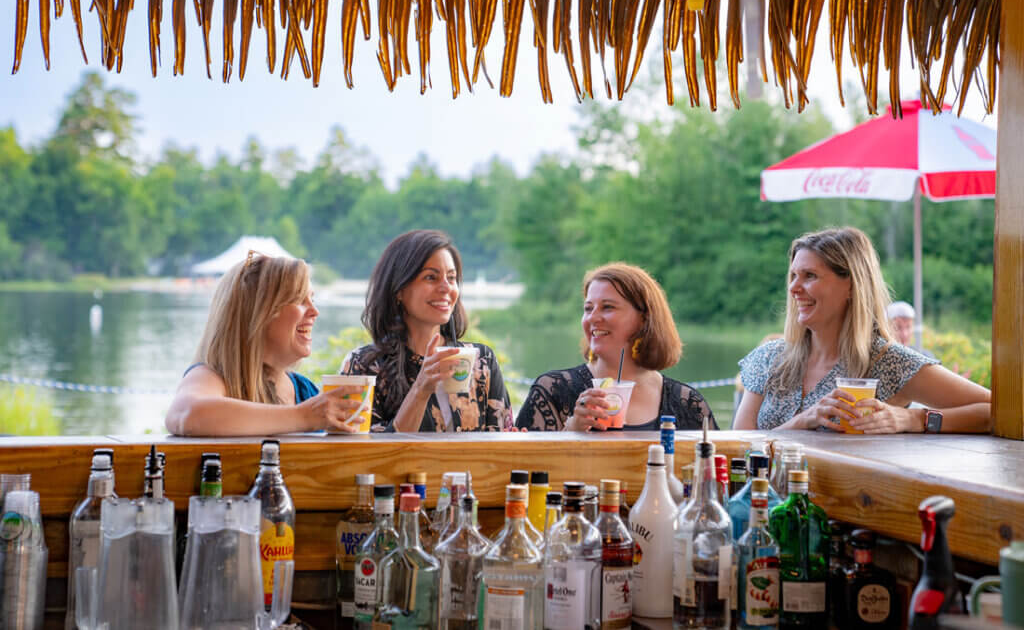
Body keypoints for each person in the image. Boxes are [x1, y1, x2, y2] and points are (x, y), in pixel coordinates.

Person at [733, 227, 991, 433]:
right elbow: (738, 449)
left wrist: (912, 419)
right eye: (793, 276)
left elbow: (1001, 411)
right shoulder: (769, 358)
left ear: (852, 286)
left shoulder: (889, 362)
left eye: (809, 276)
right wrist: (801, 422)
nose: (794, 288)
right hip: (760, 500)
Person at [165, 252, 364, 436]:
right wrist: (303, 417)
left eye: (312, 299)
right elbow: (186, 414)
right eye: (298, 299)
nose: (315, 311)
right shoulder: (213, 377)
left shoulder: (304, 390)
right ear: (257, 314)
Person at [340, 229, 515, 432]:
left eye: (451, 278)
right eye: (431, 277)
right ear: (399, 290)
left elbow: (501, 446)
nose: (446, 288)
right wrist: (421, 389)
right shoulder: (365, 366)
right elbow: (365, 458)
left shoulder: (482, 361)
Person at [515, 262, 718, 431]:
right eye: (588, 308)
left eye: (608, 307)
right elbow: (521, 470)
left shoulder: (688, 404)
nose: (593, 318)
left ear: (644, 318)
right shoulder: (553, 391)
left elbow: (714, 472)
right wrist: (572, 431)